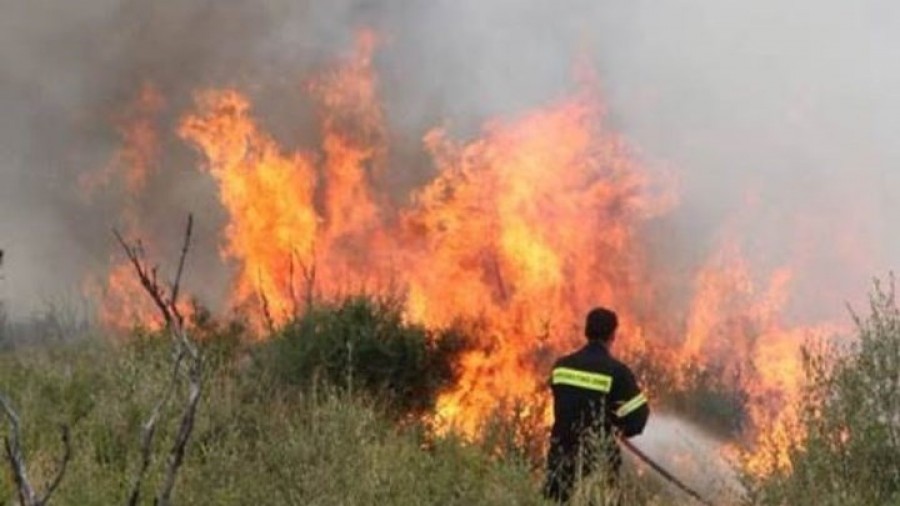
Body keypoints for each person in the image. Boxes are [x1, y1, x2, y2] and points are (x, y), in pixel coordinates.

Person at [543, 307, 650, 503]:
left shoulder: (561, 366)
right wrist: (617, 425)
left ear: (586, 331)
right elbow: (639, 416)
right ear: (612, 335)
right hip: (598, 460)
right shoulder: (617, 372)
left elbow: (566, 401)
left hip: (561, 456)